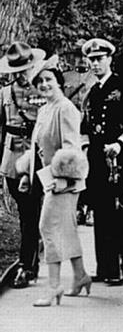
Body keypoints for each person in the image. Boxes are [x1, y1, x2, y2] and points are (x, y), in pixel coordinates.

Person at [16, 56, 91, 306]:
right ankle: (80, 276)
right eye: (40, 82)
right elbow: (38, 148)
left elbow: (72, 148)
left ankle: (54, 286)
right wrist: (27, 173)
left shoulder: (66, 108)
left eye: (49, 80)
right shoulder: (45, 109)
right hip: (50, 178)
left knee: (47, 227)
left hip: (65, 181)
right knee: (66, 229)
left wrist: (62, 178)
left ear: (58, 81)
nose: (45, 85)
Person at [80, 38, 123, 286]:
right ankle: (104, 266)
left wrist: (120, 144)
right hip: (96, 161)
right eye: (91, 60)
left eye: (99, 59)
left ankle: (122, 269)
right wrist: (84, 148)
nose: (95, 64)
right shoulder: (92, 92)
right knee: (100, 212)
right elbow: (86, 127)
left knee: (117, 213)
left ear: (109, 59)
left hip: (117, 160)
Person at [0, 42, 47, 289]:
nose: (21, 75)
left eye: (25, 69)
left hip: (33, 158)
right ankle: (29, 262)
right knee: (24, 213)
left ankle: (26, 266)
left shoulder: (43, 90)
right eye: (16, 70)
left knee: (30, 214)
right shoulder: (5, 93)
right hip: (11, 159)